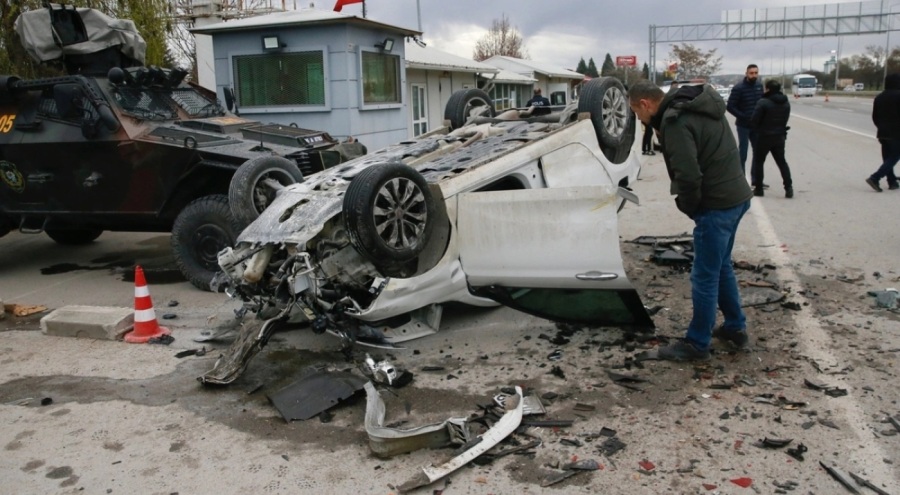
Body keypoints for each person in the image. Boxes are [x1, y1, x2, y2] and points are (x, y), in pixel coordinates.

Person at [628, 80, 753, 361]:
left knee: (704, 276)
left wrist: (691, 208)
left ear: (645, 104)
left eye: (637, 113)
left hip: (717, 204)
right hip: (737, 196)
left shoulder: (675, 121)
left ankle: (697, 344)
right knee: (720, 267)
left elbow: (688, 175)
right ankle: (735, 328)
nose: (639, 119)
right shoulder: (699, 104)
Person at [749, 79, 793, 198]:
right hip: (779, 136)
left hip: (764, 136)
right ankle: (788, 188)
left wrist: (757, 128)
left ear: (767, 89)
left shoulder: (763, 102)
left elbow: (754, 120)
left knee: (759, 162)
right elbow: (785, 119)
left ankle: (758, 189)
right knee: (782, 162)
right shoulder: (785, 103)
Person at [865, 73, 900, 192]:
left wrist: (880, 127)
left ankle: (892, 182)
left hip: (882, 132)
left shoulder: (879, 97)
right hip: (896, 133)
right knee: (894, 156)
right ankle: (875, 177)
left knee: (887, 158)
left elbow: (875, 116)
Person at [726, 64, 764, 175]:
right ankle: (741, 177)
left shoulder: (759, 86)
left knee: (758, 152)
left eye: (756, 73)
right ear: (746, 73)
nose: (754, 75)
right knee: (743, 152)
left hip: (756, 125)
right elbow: (730, 106)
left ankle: (756, 179)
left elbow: (762, 103)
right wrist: (743, 116)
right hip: (743, 125)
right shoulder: (739, 88)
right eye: (751, 73)